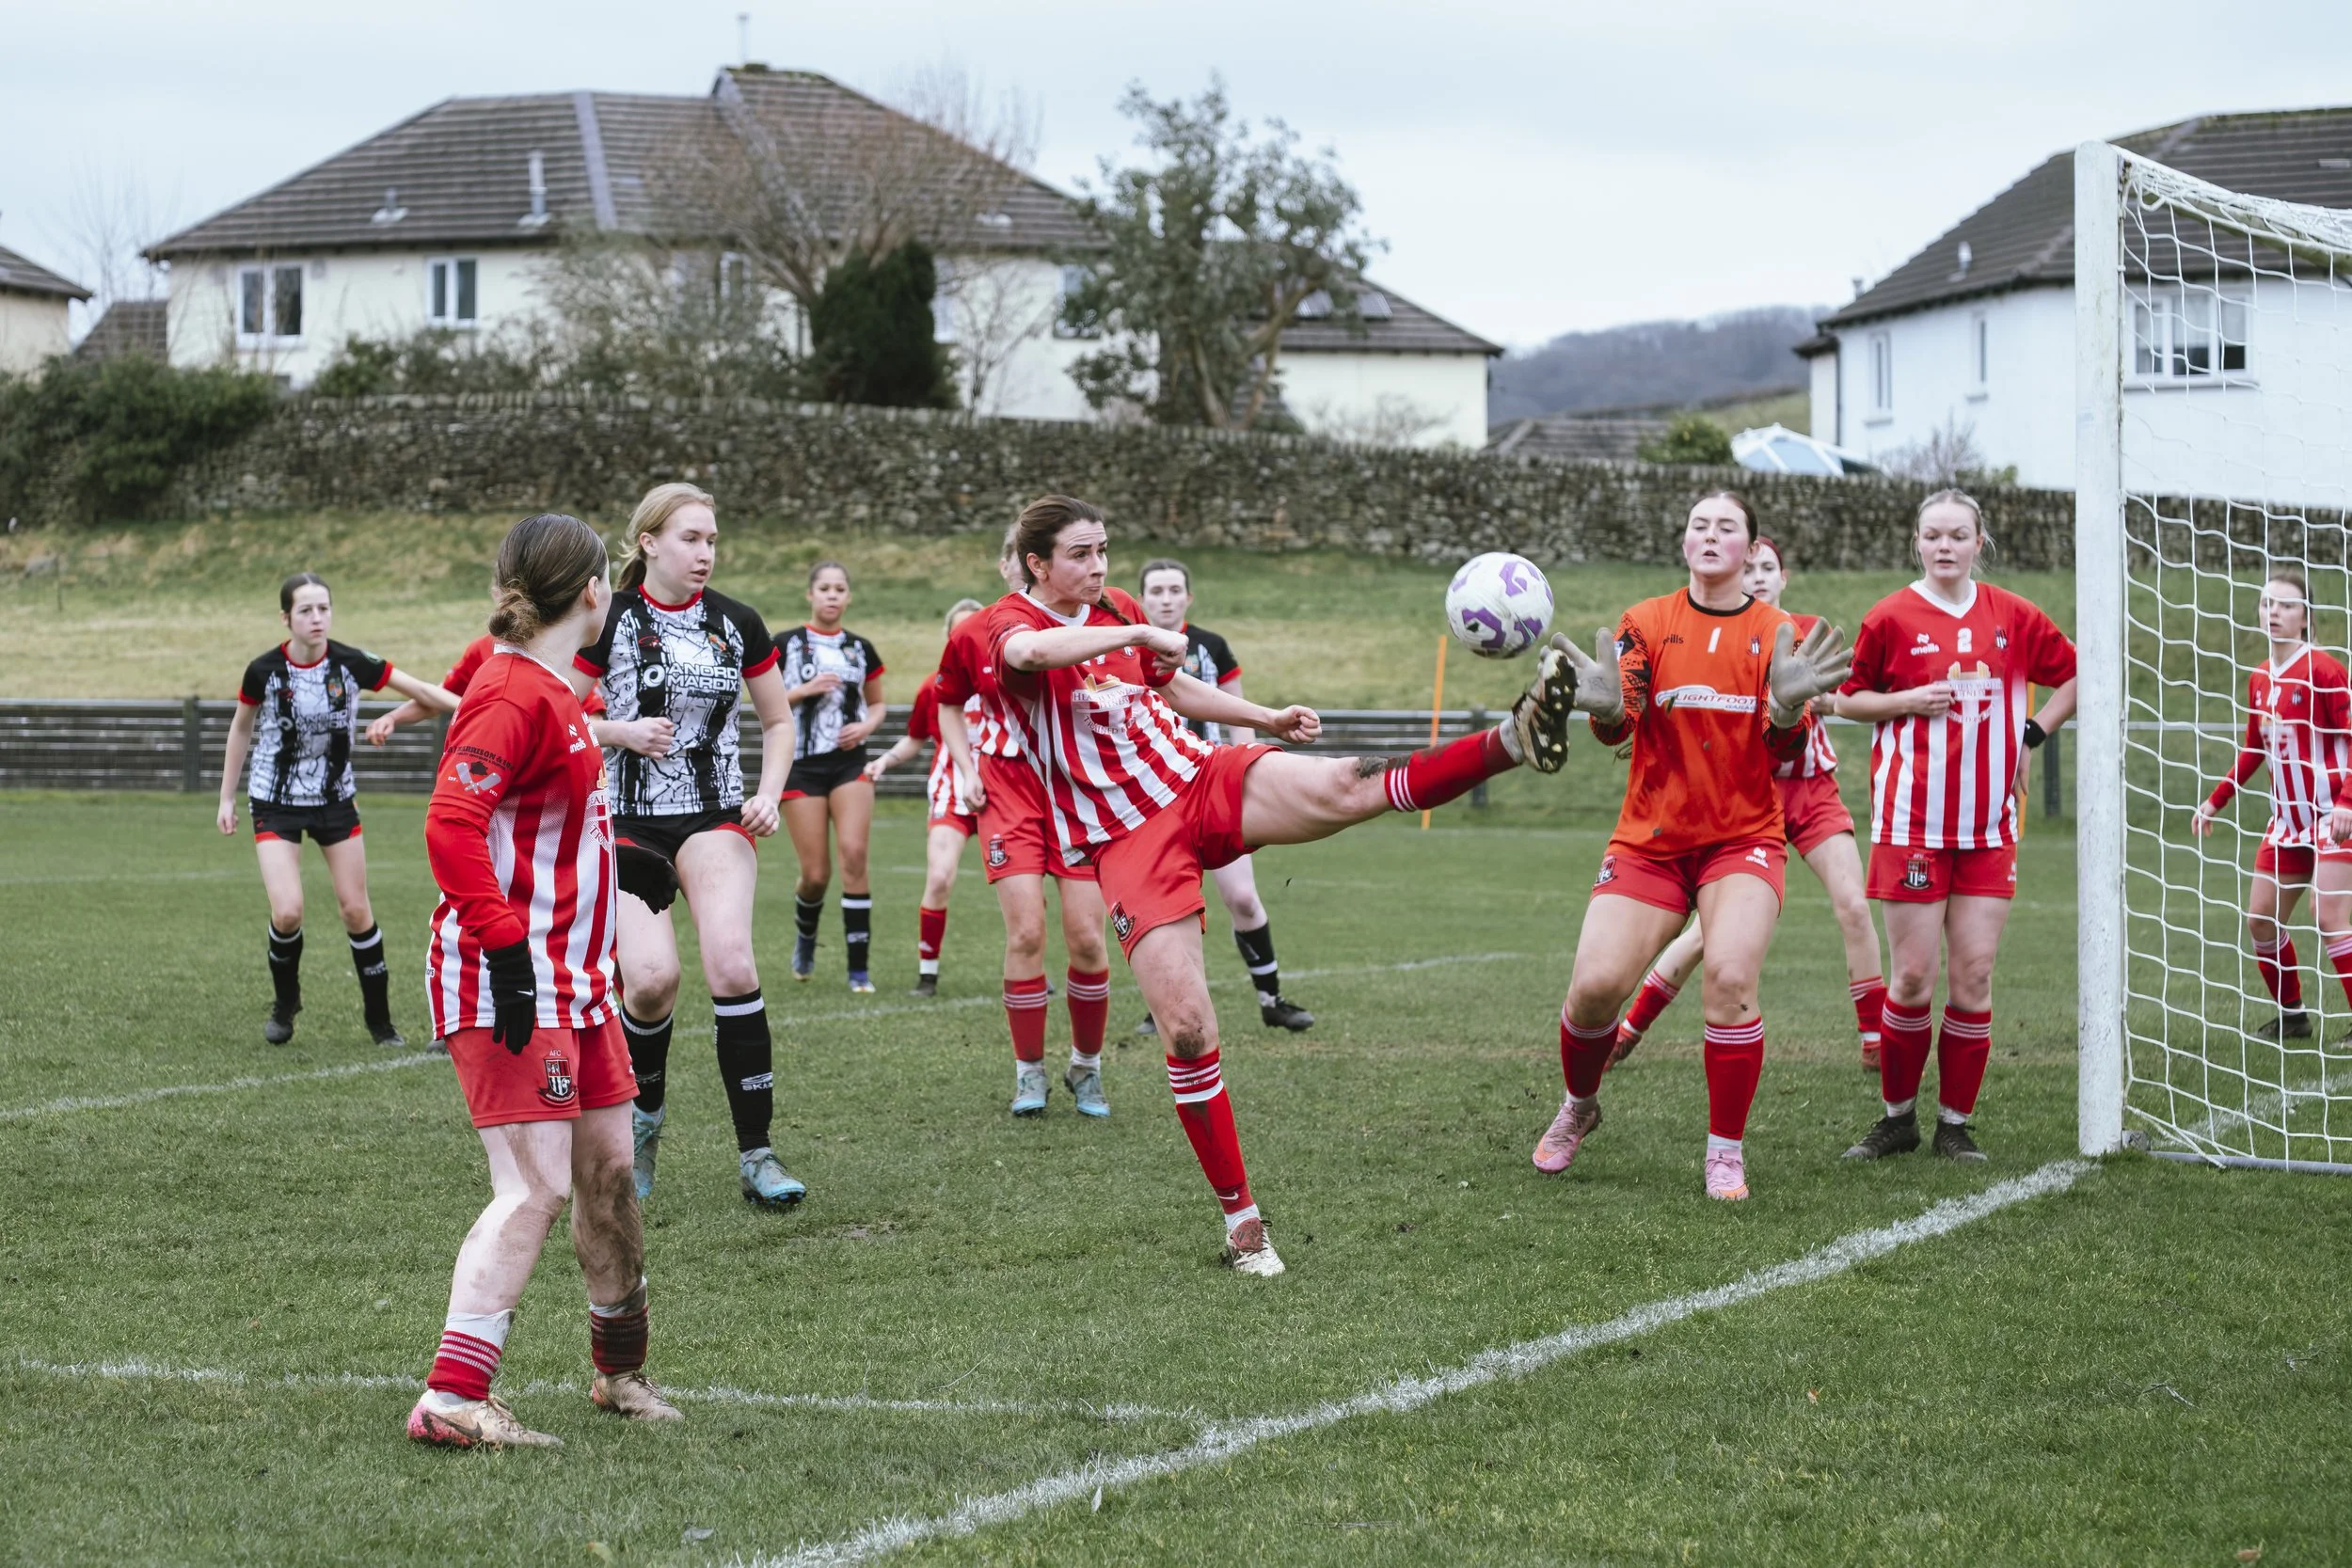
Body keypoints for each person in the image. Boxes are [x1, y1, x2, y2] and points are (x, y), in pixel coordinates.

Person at [989, 494, 1576, 1275]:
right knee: (1190, 1029)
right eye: (1081, 555)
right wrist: (1126, 627)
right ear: (1038, 563)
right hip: (1126, 840)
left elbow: (1169, 690)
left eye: (1104, 552)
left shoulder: (1117, 607)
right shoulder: (998, 624)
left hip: (1201, 777)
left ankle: (1513, 739)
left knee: (1348, 784)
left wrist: (1263, 717)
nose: (1099, 568)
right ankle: (1242, 1223)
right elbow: (1029, 657)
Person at [409, 511, 681, 1449]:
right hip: (508, 979)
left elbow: (540, 821)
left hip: (575, 978)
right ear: (596, 590)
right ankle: (452, 1395)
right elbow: (451, 825)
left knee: (606, 1171)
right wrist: (504, 942)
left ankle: (620, 1372)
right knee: (531, 1187)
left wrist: (626, 858)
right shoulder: (512, 693)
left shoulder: (555, 690)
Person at [1530, 490, 1853, 1202]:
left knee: (1731, 978)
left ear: (1749, 548)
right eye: (1699, 526)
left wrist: (1788, 708)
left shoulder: (1776, 630)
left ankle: (1724, 1152)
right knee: (1591, 992)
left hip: (1743, 838)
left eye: (1727, 527)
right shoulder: (1644, 621)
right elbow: (1622, 722)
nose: (1711, 535)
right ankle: (1580, 1105)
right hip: (1651, 839)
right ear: (1684, 543)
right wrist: (1609, 710)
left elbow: (1780, 746)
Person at [572, 483, 804, 1208]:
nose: (705, 553)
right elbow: (555, 715)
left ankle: (758, 1153)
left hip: (713, 817)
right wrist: (619, 732)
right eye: (690, 539)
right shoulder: (607, 620)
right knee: (648, 980)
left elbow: (777, 722)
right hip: (631, 824)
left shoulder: (737, 622)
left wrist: (767, 792)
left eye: (711, 540)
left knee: (732, 961)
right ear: (648, 543)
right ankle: (643, 1125)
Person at [1836, 489, 2077, 1164]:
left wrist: (2031, 734)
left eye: (1958, 535)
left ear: (1979, 542)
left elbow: (2080, 674)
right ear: (1917, 541)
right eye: (1933, 535)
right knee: (1912, 977)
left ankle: (1954, 1124)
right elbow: (1844, 698)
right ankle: (1896, 1119)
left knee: (1974, 975)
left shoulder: (2014, 615)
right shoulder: (1889, 615)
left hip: (1988, 827)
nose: (1945, 547)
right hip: (1911, 822)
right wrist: (1906, 700)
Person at [1609, 535, 1887, 1073]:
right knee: (1704, 936)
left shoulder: (1804, 632)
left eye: (1769, 568)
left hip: (1809, 788)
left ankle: (1876, 1042)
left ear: (1785, 579)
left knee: (1854, 902)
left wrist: (1815, 695)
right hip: (1742, 794)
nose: (1759, 576)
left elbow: (1841, 695)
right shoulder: (1721, 631)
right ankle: (1629, 1028)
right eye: (1752, 566)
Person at [216, 573, 456, 1049]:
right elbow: (240, 729)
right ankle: (285, 1006)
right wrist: (226, 797)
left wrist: (474, 709)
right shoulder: (262, 671)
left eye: (323, 608)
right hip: (274, 802)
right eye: (305, 610)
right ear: (286, 618)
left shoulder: (351, 663)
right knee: (287, 912)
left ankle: (380, 1022)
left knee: (355, 909)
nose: (317, 618)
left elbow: (422, 689)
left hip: (334, 801)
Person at [933, 529, 1120, 1118]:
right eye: (1017, 558)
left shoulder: (1090, 622)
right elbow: (945, 701)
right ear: (1011, 564)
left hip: (1076, 788)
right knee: (1026, 933)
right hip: (1006, 787)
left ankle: (1086, 1068)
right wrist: (965, 768)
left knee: (1088, 938)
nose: (1025, 570)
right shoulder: (976, 630)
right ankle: (1028, 1073)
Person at [1132, 558, 1314, 1035]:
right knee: (1162, 909)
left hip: (1210, 785)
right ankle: (1162, 1005)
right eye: (1157, 591)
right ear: (1142, 599)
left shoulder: (1212, 646)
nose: (1167, 598)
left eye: (1175, 590)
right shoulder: (1126, 650)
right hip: (1151, 796)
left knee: (1243, 898)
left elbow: (1237, 716)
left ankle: (1272, 1000)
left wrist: (1246, 765)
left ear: (1188, 598)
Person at [2192, 569, 2351, 1037]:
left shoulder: (2324, 670)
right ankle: (2294, 1017)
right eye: (2267, 604)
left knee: (2327, 917)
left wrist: (2346, 802)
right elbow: (2254, 749)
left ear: (2306, 617)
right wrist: (2214, 801)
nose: (2274, 612)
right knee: (2261, 919)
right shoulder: (2260, 677)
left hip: (2333, 818)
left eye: (2285, 605)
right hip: (2287, 823)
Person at [864, 598, 987, 995]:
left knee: (1020, 887)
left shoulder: (1006, 678)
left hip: (1003, 797)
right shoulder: (933, 687)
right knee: (938, 877)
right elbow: (916, 739)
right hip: (951, 796)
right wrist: (884, 761)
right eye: (959, 631)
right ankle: (927, 974)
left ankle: (1033, 969)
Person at [777, 562, 888, 991]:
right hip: (801, 765)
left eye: (840, 588)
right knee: (817, 874)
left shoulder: (861, 649)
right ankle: (806, 936)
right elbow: (759, 699)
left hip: (849, 763)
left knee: (855, 856)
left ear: (848, 596)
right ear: (810, 594)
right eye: (824, 588)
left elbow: (877, 704)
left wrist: (865, 726)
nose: (831, 595)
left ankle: (858, 970)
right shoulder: (785, 644)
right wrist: (801, 691)